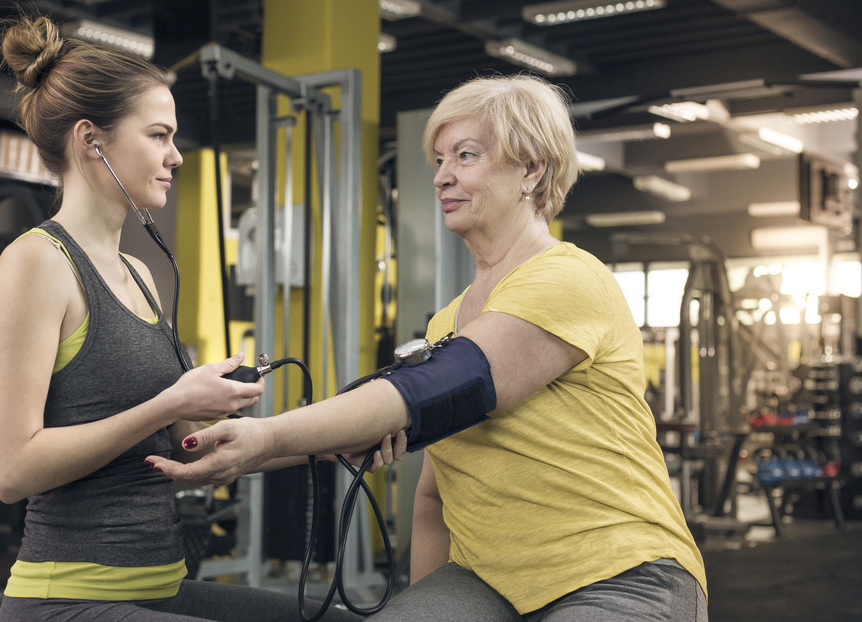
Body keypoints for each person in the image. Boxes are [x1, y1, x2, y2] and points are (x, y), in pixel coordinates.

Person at [149, 74, 709, 621]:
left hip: (617, 571)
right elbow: (432, 499)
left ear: (532, 171)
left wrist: (267, 435)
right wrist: (232, 451)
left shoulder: (567, 277)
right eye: (438, 161)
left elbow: (444, 385)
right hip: (487, 579)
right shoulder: (448, 320)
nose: (442, 177)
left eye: (466, 156)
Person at [0, 13, 380, 621]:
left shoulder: (141, 276)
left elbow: (184, 451)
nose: (177, 156)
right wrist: (170, 401)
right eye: (159, 135)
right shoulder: (36, 263)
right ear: (92, 140)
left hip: (158, 587)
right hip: (67, 599)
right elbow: (11, 470)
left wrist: (331, 445)